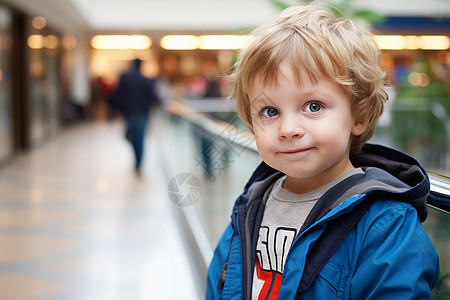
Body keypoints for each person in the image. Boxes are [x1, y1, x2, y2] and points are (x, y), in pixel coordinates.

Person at [206, 4, 440, 299]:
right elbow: (220, 284)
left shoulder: (385, 223)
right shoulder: (252, 203)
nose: (288, 128)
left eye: (313, 106)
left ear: (359, 116)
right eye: (270, 111)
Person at [112, 58, 161, 175]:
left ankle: (137, 161)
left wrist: (117, 110)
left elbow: (118, 95)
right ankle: (139, 162)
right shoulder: (146, 80)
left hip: (128, 113)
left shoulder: (124, 78)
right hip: (142, 114)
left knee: (133, 137)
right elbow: (154, 97)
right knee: (139, 138)